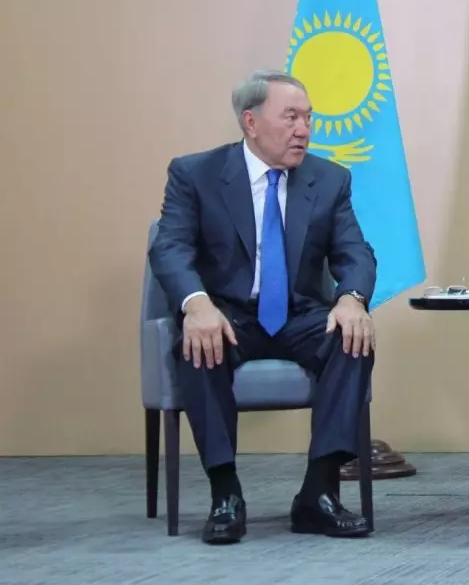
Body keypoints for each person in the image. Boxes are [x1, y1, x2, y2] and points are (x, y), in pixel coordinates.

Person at [148, 70, 377, 545]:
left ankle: (318, 492)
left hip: (298, 314)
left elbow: (355, 252)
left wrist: (352, 298)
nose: (303, 129)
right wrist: (196, 304)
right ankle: (225, 494)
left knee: (353, 339)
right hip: (228, 313)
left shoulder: (329, 179)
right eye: (290, 117)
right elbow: (169, 249)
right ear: (250, 123)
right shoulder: (196, 174)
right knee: (198, 343)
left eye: (308, 118)